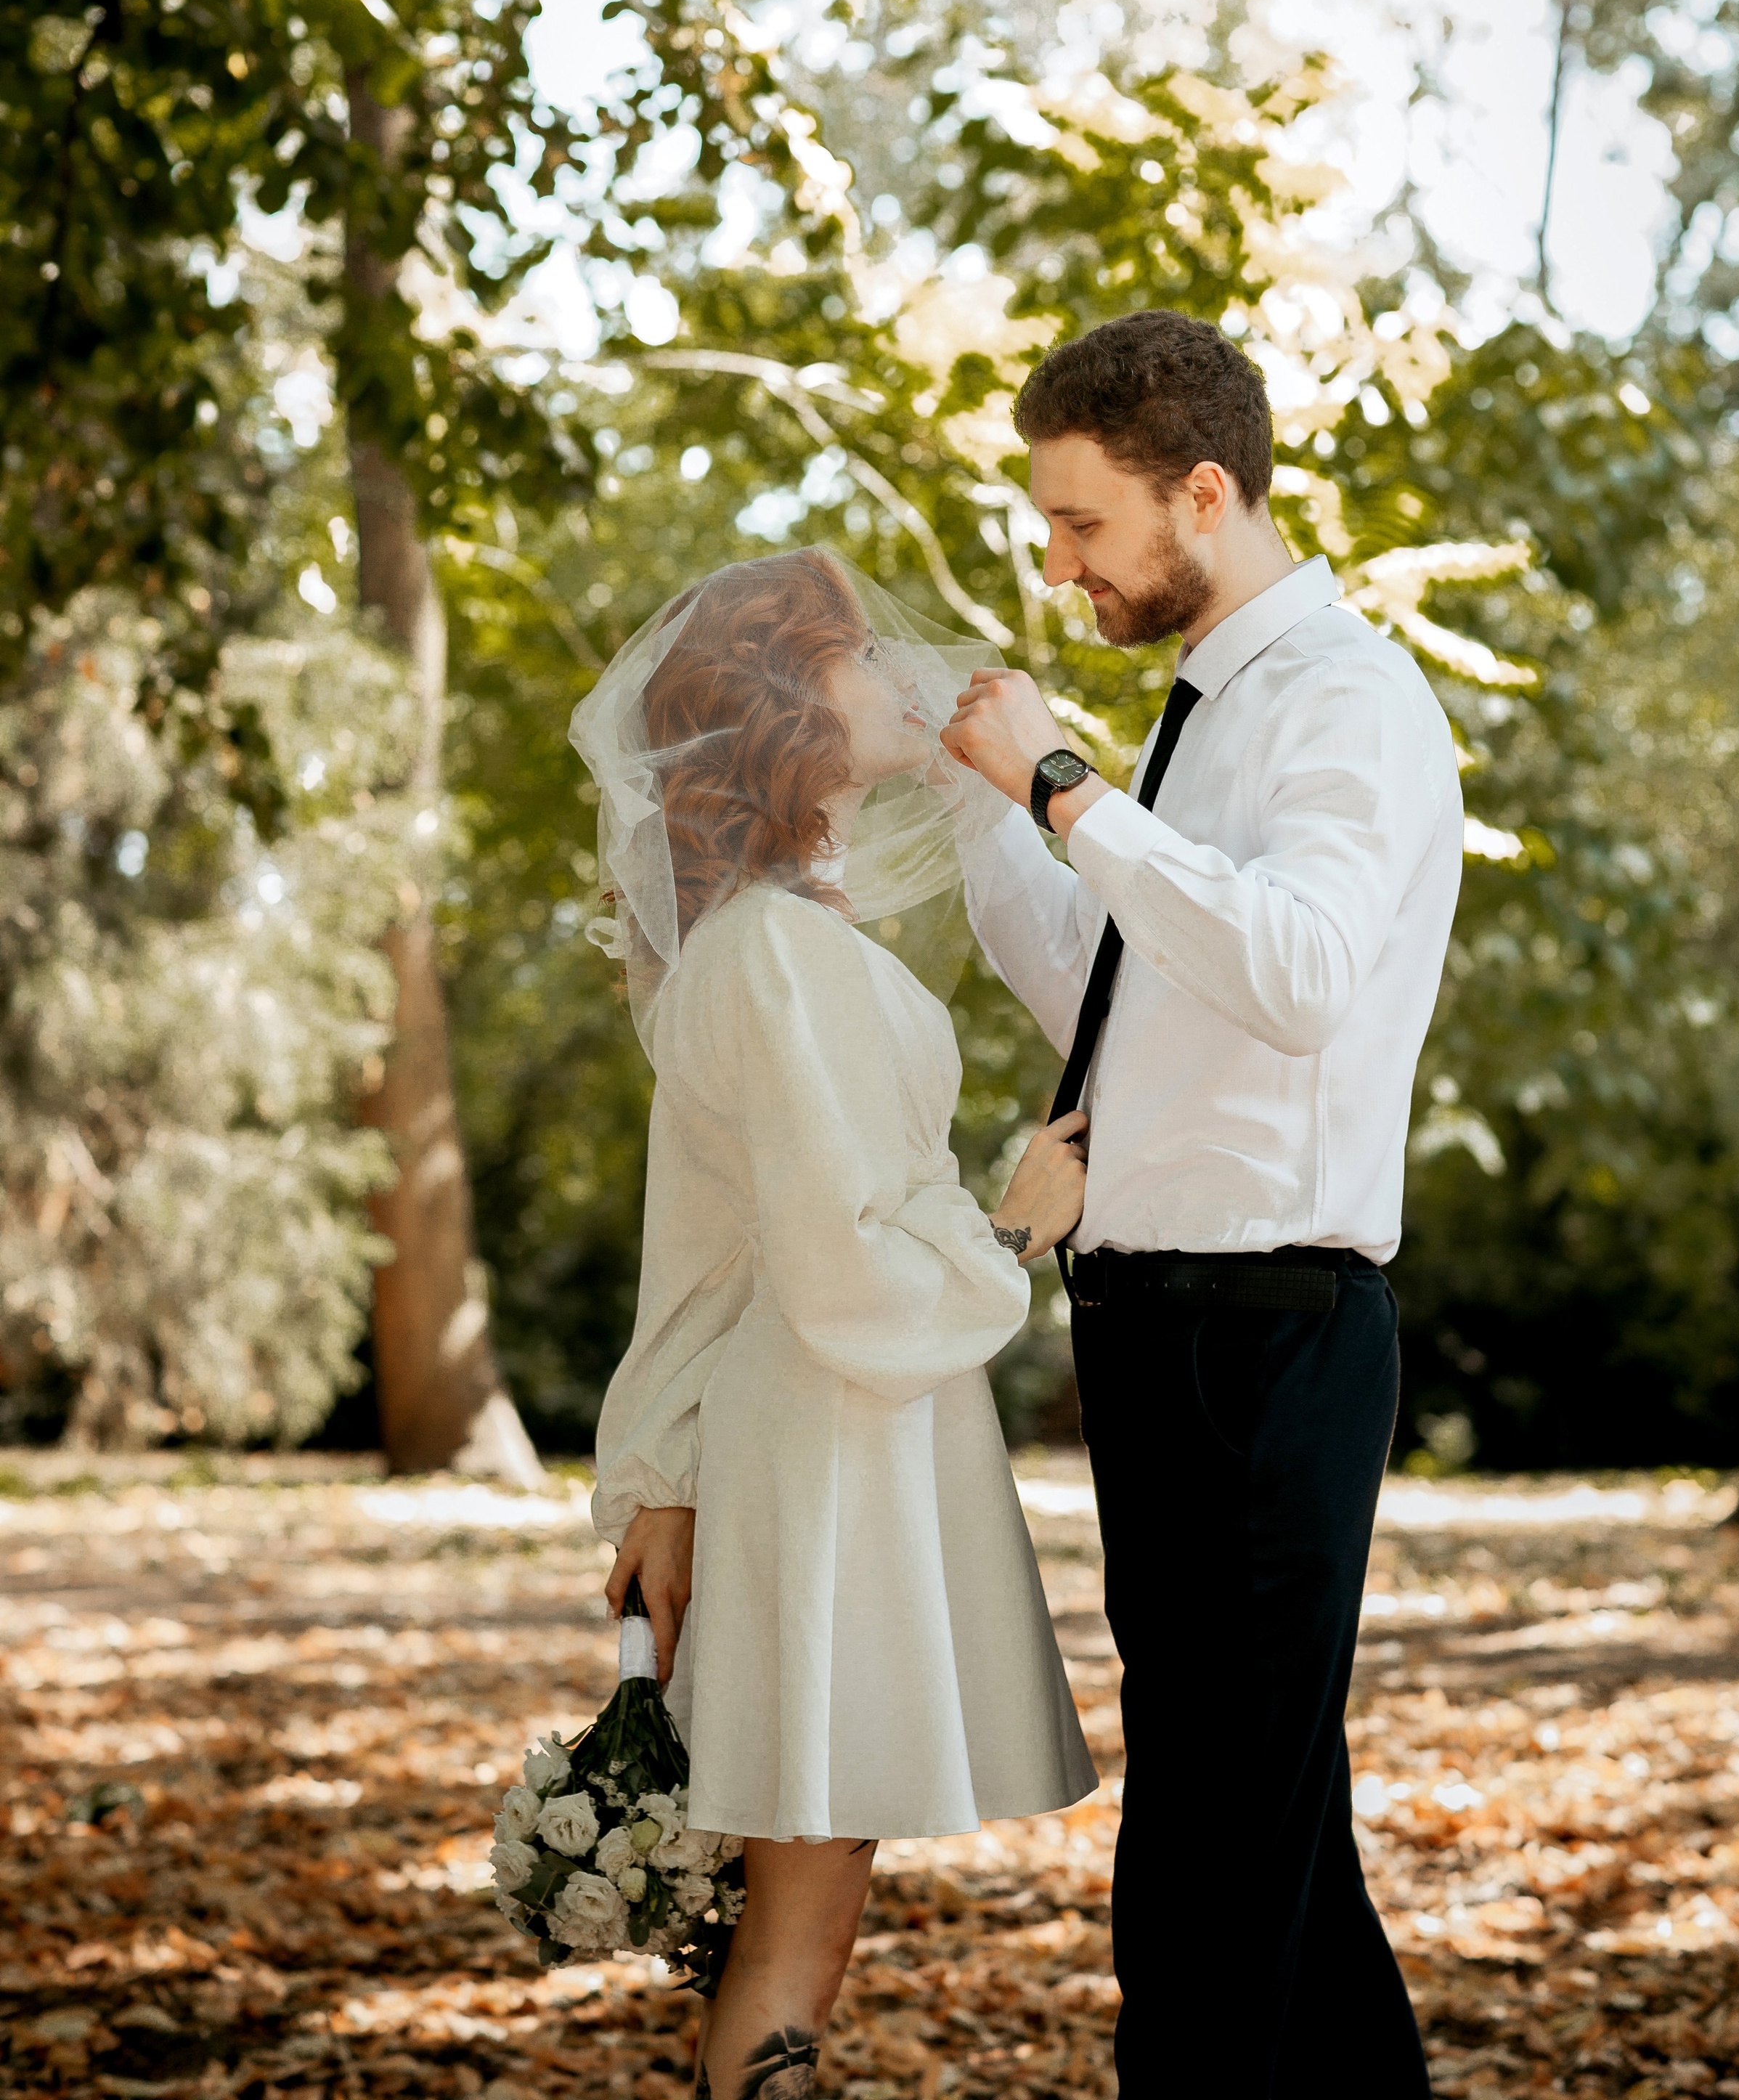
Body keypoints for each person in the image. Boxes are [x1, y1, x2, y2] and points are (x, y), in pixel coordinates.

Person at [940, 309, 1459, 2098]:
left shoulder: (1343, 700)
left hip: (1269, 1340)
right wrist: (988, 812)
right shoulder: (1208, 716)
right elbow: (1113, 978)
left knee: (1207, 1877)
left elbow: (1303, 971)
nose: (1057, 561)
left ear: (1205, 493)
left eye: (1081, 524)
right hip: (1155, 1333)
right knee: (1261, 1840)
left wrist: (1063, 786)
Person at [569, 548, 1096, 2100]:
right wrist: (1009, 1221)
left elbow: (704, 1257)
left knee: (798, 1916)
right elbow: (835, 1266)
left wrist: (659, 1473)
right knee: (794, 1937)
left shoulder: (764, 941)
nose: (898, 679)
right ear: (792, 710)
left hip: (822, 1439)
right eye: (860, 658)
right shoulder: (776, 961)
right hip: (828, 1449)